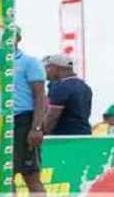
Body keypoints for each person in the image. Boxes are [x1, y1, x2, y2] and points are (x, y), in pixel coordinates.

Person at [13, 31, 47, 196]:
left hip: (24, 121)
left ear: (18, 38)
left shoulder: (29, 62)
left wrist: (36, 128)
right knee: (5, 177)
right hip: (1, 122)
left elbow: (40, 96)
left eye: (9, 34)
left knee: (30, 175)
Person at [43, 53, 92, 136]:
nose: (46, 71)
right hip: (84, 134)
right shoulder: (85, 87)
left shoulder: (61, 88)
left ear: (54, 68)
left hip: (64, 137)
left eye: (47, 68)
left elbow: (52, 117)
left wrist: (41, 133)